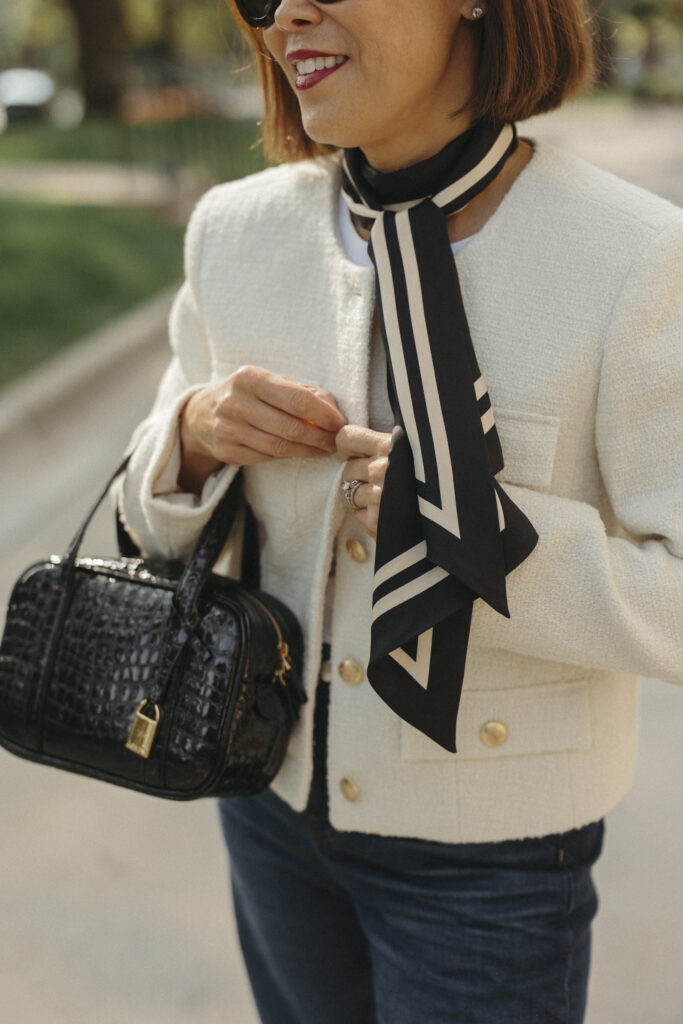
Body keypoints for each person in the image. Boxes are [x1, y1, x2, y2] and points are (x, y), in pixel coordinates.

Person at [117, 0, 683, 1020]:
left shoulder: (635, 259)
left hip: (495, 866)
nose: (285, 12)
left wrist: (483, 539)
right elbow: (148, 522)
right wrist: (192, 438)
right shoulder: (234, 234)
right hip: (268, 805)